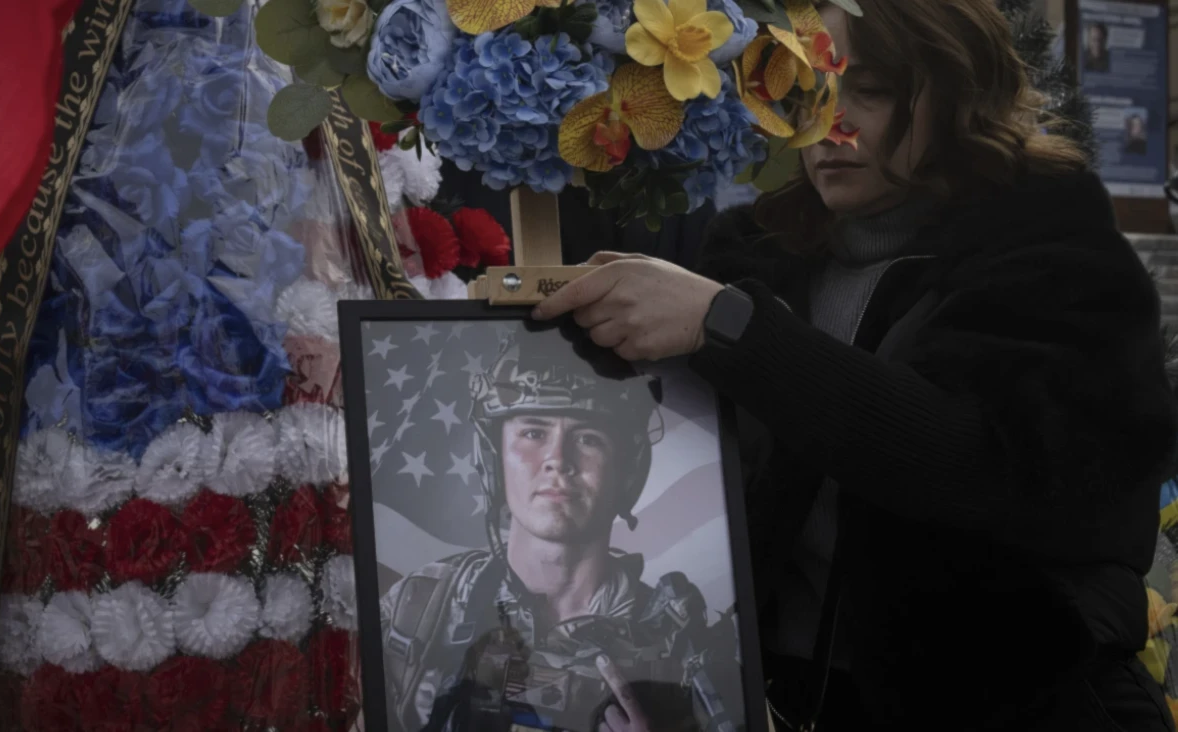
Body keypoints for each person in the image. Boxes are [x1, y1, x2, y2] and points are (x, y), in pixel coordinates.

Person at [532, 0, 1178, 729]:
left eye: (870, 90)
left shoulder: (1061, 259)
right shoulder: (757, 256)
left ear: (961, 91)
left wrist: (734, 330)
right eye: (808, 92)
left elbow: (978, 466)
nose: (831, 125)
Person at [377, 323, 743, 732]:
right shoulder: (420, 608)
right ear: (494, 457)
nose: (557, 460)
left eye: (588, 438)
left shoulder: (684, 649)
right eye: (533, 432)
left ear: (627, 468)